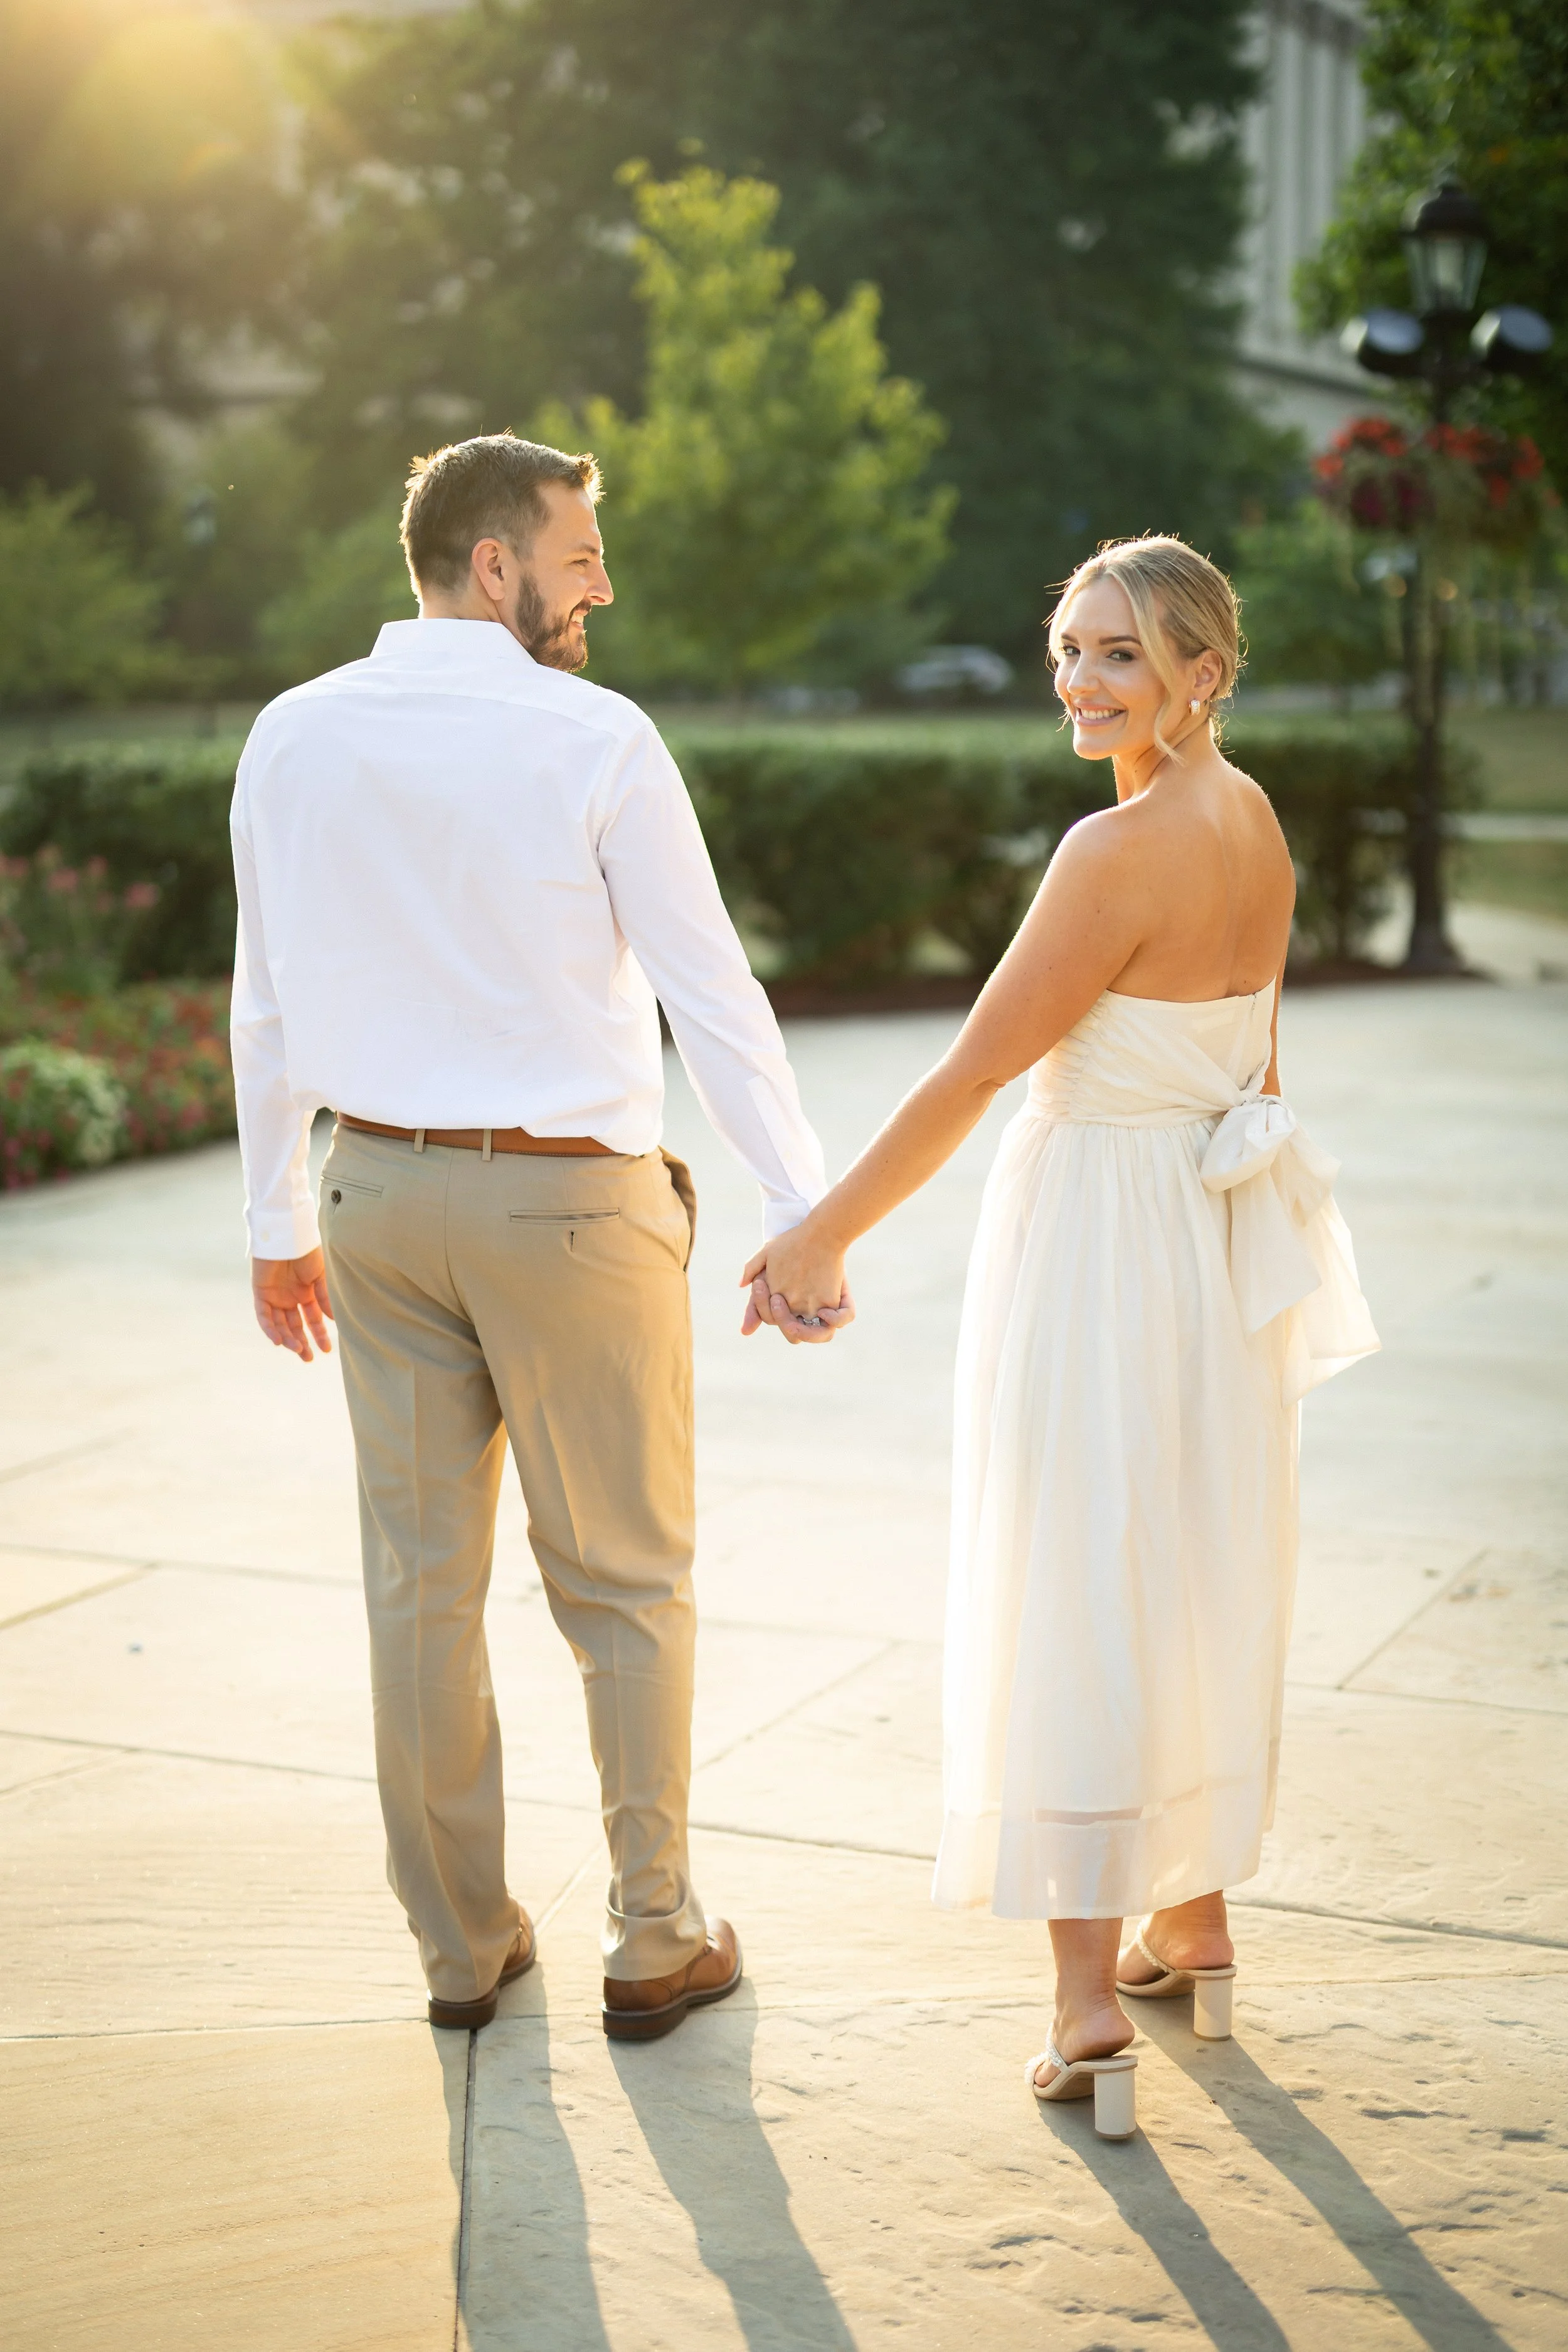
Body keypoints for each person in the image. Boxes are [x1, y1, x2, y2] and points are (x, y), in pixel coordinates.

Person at [743, 535, 1379, 2138]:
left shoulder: (1111, 852)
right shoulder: (1254, 822)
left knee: (1076, 1577)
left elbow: (971, 1072)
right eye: (1068, 653)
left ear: (1199, 674)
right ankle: (1193, 1920)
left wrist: (821, 1232)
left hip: (1099, 1235)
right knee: (1191, 1563)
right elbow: (1260, 1069)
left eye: (1117, 655)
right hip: (1214, 1239)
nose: (1078, 685)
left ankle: (1085, 2007)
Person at [233, 432, 835, 2042]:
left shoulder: (291, 733)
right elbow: (711, 992)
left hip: (373, 1200)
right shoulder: (595, 738)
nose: (601, 589)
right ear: (492, 563)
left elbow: (264, 998)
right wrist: (798, 1206)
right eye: (580, 558)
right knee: (624, 1583)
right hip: (570, 1209)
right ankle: (654, 1936)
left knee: (417, 1587)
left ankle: (459, 1947)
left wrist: (275, 1217)